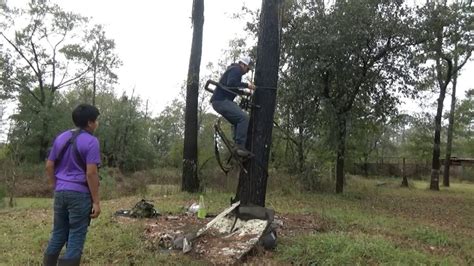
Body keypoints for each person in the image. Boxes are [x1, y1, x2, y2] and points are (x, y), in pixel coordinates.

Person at [43, 104, 101, 266]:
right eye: (96, 121)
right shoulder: (92, 142)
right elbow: (91, 173)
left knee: (58, 234)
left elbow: (49, 165)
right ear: (90, 123)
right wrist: (96, 202)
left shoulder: (61, 137)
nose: (97, 124)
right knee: (76, 235)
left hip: (60, 193)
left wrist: (57, 185)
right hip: (79, 195)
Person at [210, 57, 256, 157]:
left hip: (218, 102)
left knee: (237, 121)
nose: (247, 72)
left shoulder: (234, 70)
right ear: (243, 65)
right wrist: (247, 85)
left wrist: (244, 93)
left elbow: (232, 88)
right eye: (247, 69)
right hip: (221, 101)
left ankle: (236, 147)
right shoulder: (236, 69)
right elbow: (231, 84)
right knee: (243, 118)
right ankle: (239, 146)